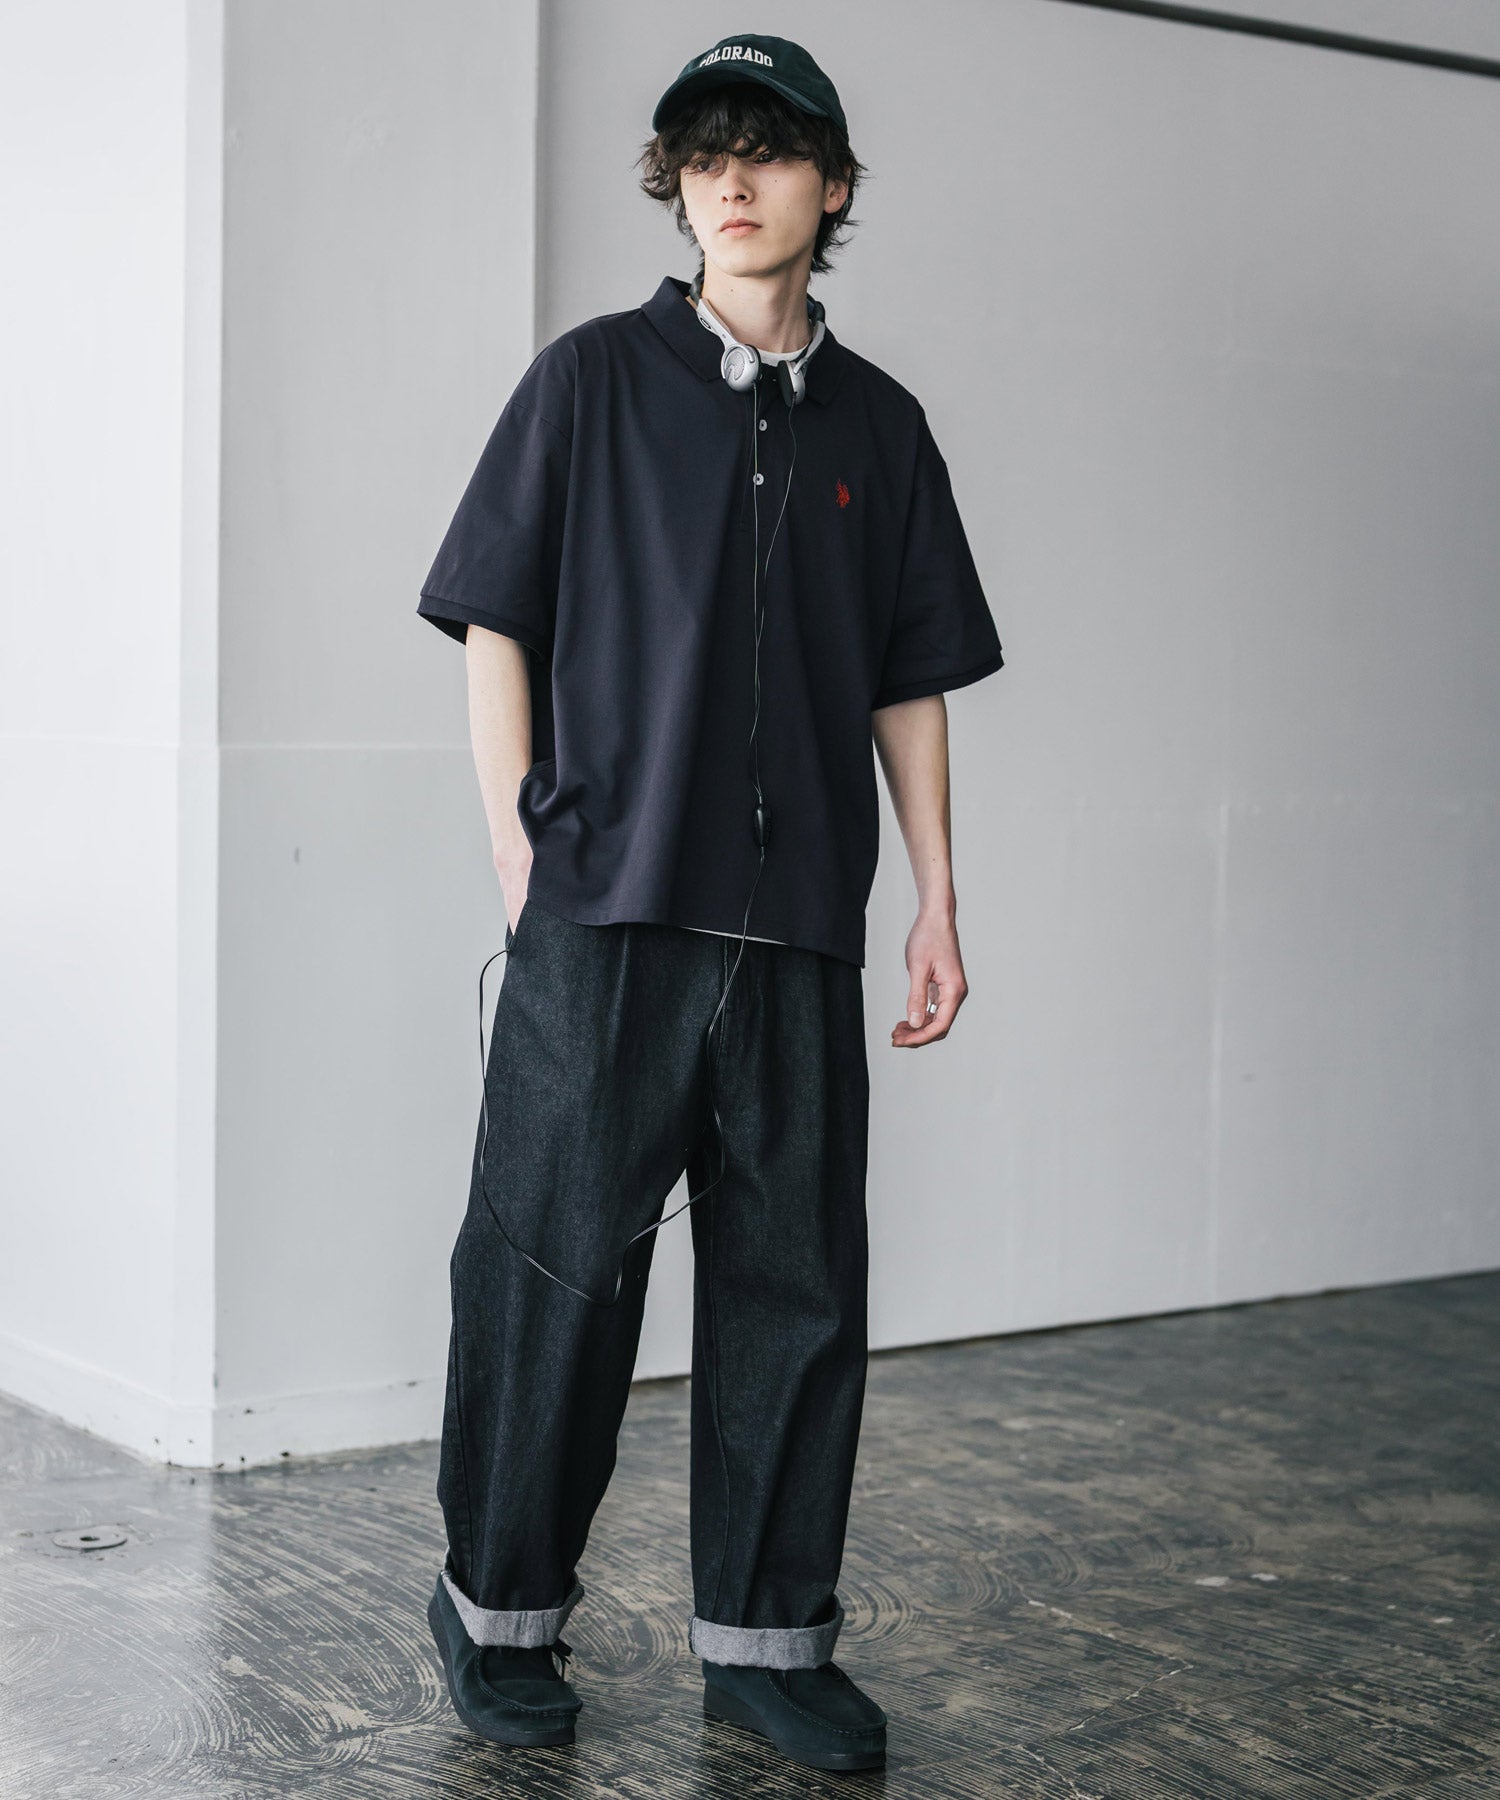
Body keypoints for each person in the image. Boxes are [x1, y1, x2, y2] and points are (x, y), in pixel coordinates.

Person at [414, 32, 1004, 1775]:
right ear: (675, 186)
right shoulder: (592, 382)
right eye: (700, 154)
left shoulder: (884, 428)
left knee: (796, 1295)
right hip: (609, 916)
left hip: (804, 925)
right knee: (551, 1274)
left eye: (766, 150)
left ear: (833, 185)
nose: (729, 180)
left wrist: (938, 900)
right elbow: (496, 615)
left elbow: (910, 679)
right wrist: (521, 850)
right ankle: (497, 1615)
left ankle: (767, 1650)